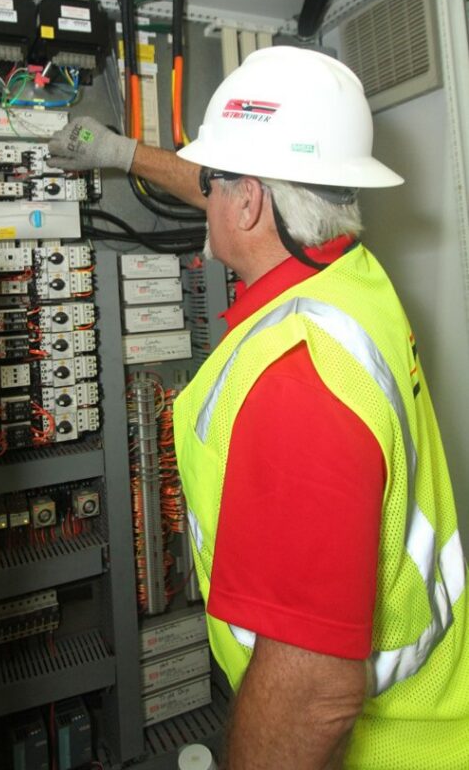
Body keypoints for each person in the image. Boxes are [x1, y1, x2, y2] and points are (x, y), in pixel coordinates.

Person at [48, 46, 469, 770]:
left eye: (216, 185)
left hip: (387, 751)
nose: (205, 192)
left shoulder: (296, 382)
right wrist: (121, 154)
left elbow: (313, 694)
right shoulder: (348, 271)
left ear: (247, 203)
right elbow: (253, 187)